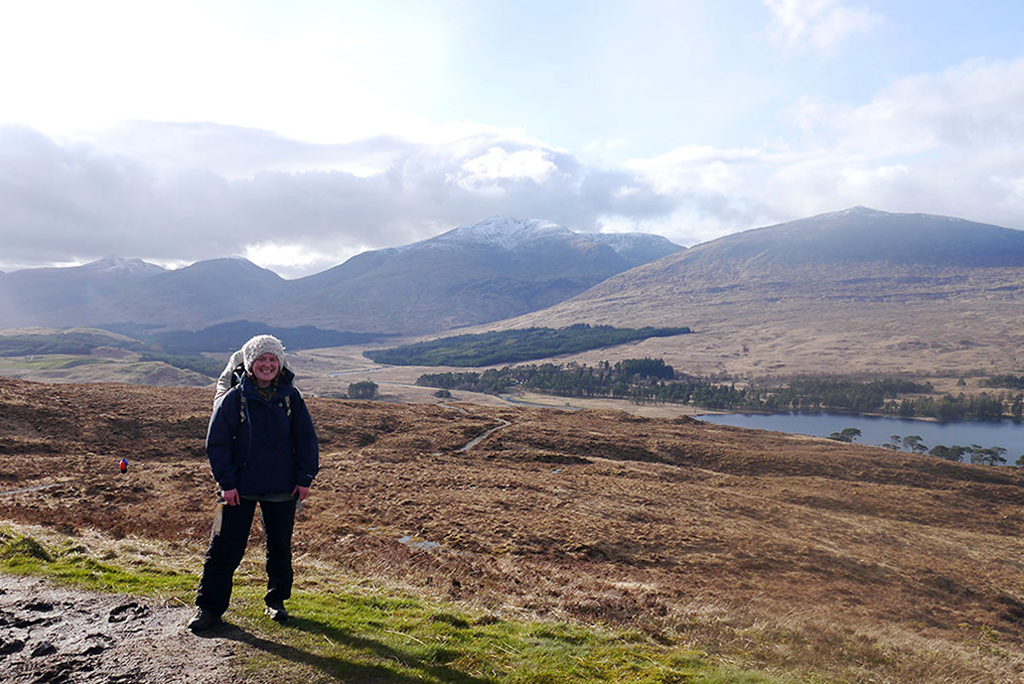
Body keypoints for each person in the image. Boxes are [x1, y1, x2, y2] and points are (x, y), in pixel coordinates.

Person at [188, 334, 319, 632]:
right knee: (224, 548)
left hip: (282, 486)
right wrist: (226, 484)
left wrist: (304, 478)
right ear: (249, 363)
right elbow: (217, 443)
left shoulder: (291, 397)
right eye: (261, 359)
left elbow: (306, 439)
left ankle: (277, 601)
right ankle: (209, 608)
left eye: (273, 359)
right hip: (238, 488)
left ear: (280, 363)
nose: (267, 364)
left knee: (280, 548)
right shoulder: (234, 398)